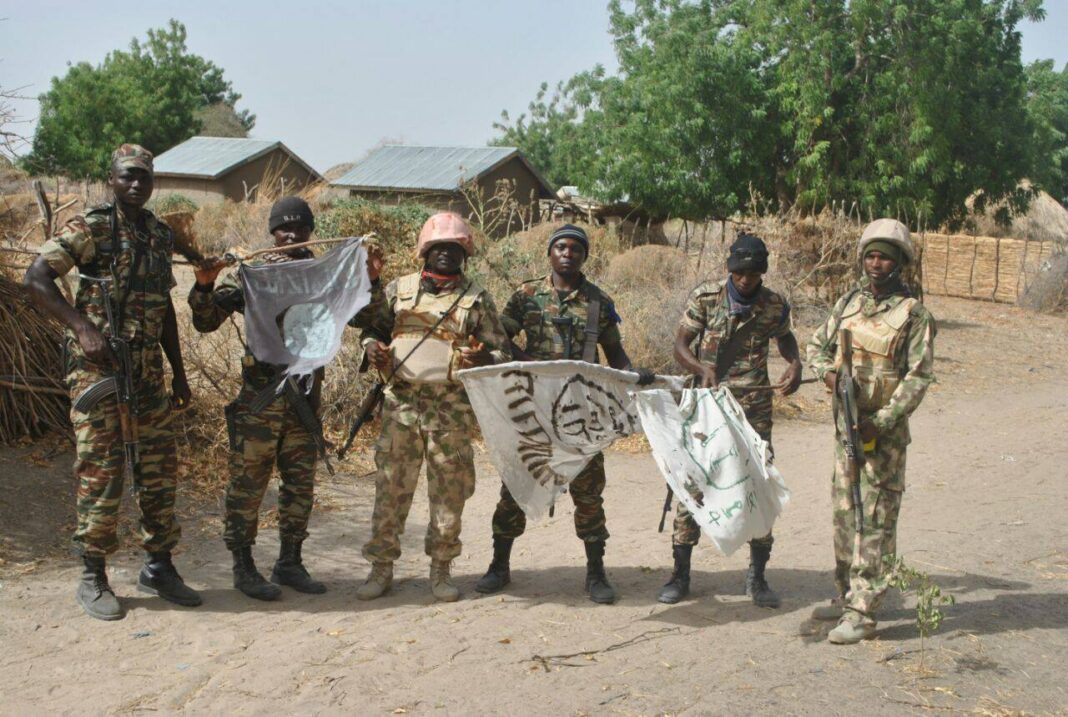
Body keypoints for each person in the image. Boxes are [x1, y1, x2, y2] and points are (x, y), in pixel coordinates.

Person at [24, 144, 201, 620]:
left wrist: (179, 373)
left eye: (143, 177)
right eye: (127, 177)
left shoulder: (159, 235)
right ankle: (93, 575)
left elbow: (164, 311)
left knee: (159, 472)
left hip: (146, 372)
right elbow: (36, 279)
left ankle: (159, 566)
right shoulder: (92, 226)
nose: (136, 185)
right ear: (111, 179)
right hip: (99, 370)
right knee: (101, 473)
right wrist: (81, 327)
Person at [189, 197, 383, 601]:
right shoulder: (253, 274)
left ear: (312, 231)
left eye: (300, 227)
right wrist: (206, 285)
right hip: (260, 401)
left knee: (300, 487)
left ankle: (289, 562)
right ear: (272, 232)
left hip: (304, 404)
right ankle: (243, 568)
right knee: (248, 488)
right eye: (283, 228)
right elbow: (205, 322)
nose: (291, 235)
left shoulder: (326, 276)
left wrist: (372, 279)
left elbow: (372, 318)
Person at [475, 224, 651, 605]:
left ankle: (596, 574)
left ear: (585, 256)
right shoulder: (526, 295)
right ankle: (499, 567)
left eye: (575, 248)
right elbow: (501, 337)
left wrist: (634, 377)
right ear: (550, 253)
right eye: (560, 247)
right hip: (533, 411)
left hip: (579, 414)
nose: (567, 253)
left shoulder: (597, 303)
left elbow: (614, 353)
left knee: (588, 494)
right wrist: (518, 357)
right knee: (515, 488)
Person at [355, 212, 511, 602]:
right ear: (425, 251)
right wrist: (372, 348)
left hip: (451, 410)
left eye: (454, 248)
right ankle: (381, 568)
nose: (446, 254)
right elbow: (372, 329)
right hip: (402, 405)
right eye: (439, 247)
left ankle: (441, 570)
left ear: (465, 254)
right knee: (390, 491)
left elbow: (502, 351)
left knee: (449, 494)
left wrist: (483, 358)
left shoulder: (477, 298)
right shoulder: (399, 290)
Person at [806, 218, 936, 644]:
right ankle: (846, 596)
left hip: (883, 439)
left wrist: (878, 422)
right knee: (846, 515)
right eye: (871, 255)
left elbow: (916, 379)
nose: (877, 264)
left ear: (900, 263)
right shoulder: (847, 304)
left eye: (886, 257)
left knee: (875, 520)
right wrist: (830, 377)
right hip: (846, 432)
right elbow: (816, 348)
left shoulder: (914, 315)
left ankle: (863, 611)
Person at [661, 232, 803, 608]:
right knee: (694, 483)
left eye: (753, 275)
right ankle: (680, 574)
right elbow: (680, 346)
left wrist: (794, 363)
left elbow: (786, 339)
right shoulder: (706, 298)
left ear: (762, 274)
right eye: (740, 274)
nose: (745, 281)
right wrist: (700, 369)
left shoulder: (774, 305)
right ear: (730, 270)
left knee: (758, 484)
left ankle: (757, 576)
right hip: (707, 408)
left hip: (754, 408)